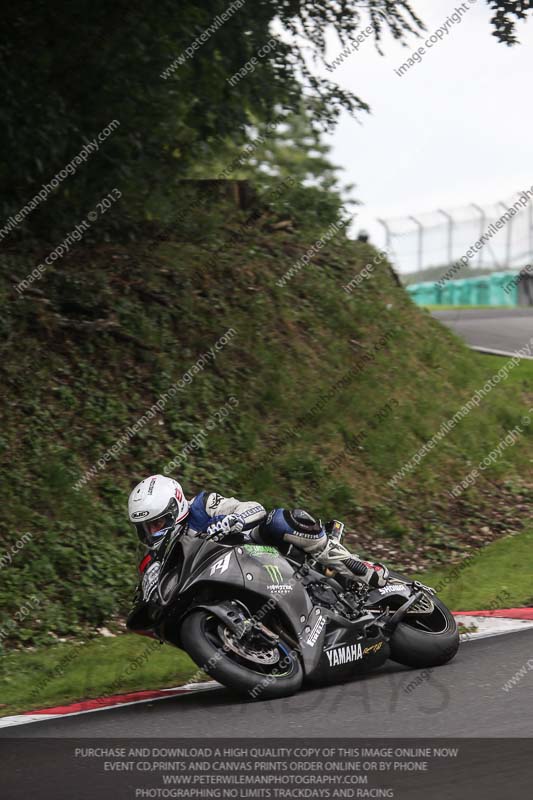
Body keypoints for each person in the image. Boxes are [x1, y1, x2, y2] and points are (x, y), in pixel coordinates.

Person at [126, 474, 389, 632]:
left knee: (279, 520)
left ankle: (357, 567)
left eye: (158, 523)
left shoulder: (202, 506)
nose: (152, 532)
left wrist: (233, 520)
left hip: (259, 552)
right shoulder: (164, 553)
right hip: (232, 581)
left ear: (175, 507)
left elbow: (254, 508)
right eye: (146, 528)